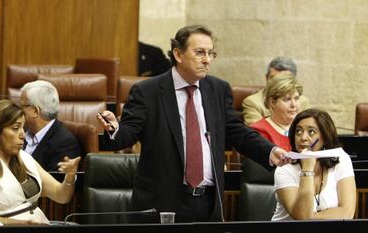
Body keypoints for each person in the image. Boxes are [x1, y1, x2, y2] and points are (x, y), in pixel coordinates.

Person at [97, 25, 288, 223]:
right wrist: (114, 129)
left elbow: (236, 131)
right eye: (199, 53)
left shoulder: (218, 89)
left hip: (208, 202)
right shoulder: (148, 91)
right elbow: (128, 133)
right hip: (163, 202)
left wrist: (269, 150)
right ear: (178, 54)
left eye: (210, 53)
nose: (207, 60)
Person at [0, 100, 81, 225]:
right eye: (16, 128)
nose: (23, 135)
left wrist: (70, 177)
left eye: (23, 127)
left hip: (40, 224)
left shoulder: (24, 157)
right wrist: (24, 225)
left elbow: (61, 196)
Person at [272, 108, 356, 221]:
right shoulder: (285, 168)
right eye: (298, 131)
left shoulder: (341, 159)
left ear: (325, 138)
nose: (303, 138)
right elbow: (301, 217)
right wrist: (307, 169)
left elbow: (347, 212)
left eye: (311, 132)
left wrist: (311, 217)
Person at [20, 80, 81, 171]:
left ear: (35, 111)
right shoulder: (21, 132)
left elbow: (55, 182)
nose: (19, 111)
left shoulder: (65, 144)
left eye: (22, 106)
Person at [242, 56, 311, 126]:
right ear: (266, 78)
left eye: (283, 80)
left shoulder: (303, 101)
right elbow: (256, 133)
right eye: (273, 79)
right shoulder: (252, 102)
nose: (277, 84)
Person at [250, 73, 303, 151]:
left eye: (296, 98)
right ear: (272, 102)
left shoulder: (304, 128)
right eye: (287, 99)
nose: (294, 105)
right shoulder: (258, 132)